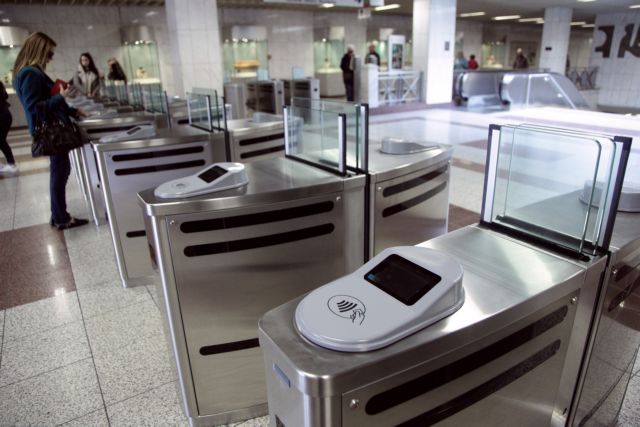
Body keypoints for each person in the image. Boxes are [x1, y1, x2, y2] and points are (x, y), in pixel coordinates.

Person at [13, 31, 89, 230]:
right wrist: (60, 97)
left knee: (60, 170)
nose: (50, 58)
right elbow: (34, 107)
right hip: (51, 132)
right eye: (49, 53)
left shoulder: (31, 71)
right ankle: (61, 218)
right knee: (59, 171)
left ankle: (58, 215)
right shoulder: (30, 73)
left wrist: (73, 111)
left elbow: (45, 101)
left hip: (52, 130)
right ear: (39, 50)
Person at [0, 80, 17, 174]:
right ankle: (11, 163)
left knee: (1, 141)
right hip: (5, 114)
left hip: (1, 116)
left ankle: (11, 164)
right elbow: (6, 96)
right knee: (1, 141)